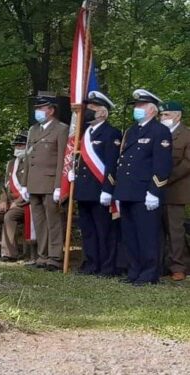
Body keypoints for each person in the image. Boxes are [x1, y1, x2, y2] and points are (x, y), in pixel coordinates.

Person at [113, 89, 173, 286]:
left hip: (145, 192)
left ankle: (149, 273)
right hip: (128, 191)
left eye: (140, 106)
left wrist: (154, 191)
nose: (136, 109)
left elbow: (162, 164)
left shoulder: (160, 131)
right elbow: (123, 161)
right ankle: (134, 270)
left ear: (152, 110)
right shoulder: (132, 131)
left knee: (147, 235)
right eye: (136, 106)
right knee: (130, 235)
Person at [73, 91, 122, 276]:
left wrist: (108, 189)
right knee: (88, 231)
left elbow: (112, 164)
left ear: (102, 112)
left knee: (105, 231)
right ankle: (91, 263)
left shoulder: (111, 133)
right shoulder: (85, 133)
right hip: (84, 190)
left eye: (92, 108)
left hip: (101, 190)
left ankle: (107, 267)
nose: (87, 111)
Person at [20, 94, 69, 271]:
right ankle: (42, 256)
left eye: (41, 109)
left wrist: (58, 186)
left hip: (50, 183)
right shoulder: (33, 130)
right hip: (33, 182)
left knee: (53, 221)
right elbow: (27, 157)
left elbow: (63, 159)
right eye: (36, 109)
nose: (38, 112)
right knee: (39, 222)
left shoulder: (61, 129)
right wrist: (24, 183)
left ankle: (55, 257)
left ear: (51, 110)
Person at [0, 133, 32, 261]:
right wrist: (3, 200)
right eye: (16, 145)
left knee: (10, 216)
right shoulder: (11, 164)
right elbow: (4, 186)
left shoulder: (32, 163)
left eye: (21, 145)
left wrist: (19, 202)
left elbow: (32, 188)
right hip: (9, 201)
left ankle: (9, 253)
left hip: (25, 203)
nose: (18, 148)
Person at [158, 101, 190, 281]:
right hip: (156, 190)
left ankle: (179, 266)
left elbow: (187, 163)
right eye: (161, 115)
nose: (163, 118)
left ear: (177, 116)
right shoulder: (159, 133)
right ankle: (162, 263)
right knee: (158, 229)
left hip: (176, 190)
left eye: (167, 115)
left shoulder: (186, 135)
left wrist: (165, 178)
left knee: (175, 230)